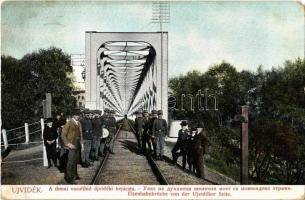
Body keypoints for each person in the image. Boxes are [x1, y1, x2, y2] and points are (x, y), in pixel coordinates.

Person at [62, 109, 83, 184]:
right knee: (70, 161)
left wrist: (82, 144)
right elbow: (63, 135)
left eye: (78, 115)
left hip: (78, 143)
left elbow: (81, 134)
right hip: (72, 143)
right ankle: (69, 178)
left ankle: (75, 175)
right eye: (76, 115)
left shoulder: (79, 123)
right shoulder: (69, 123)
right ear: (73, 115)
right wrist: (68, 144)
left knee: (75, 160)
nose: (78, 116)